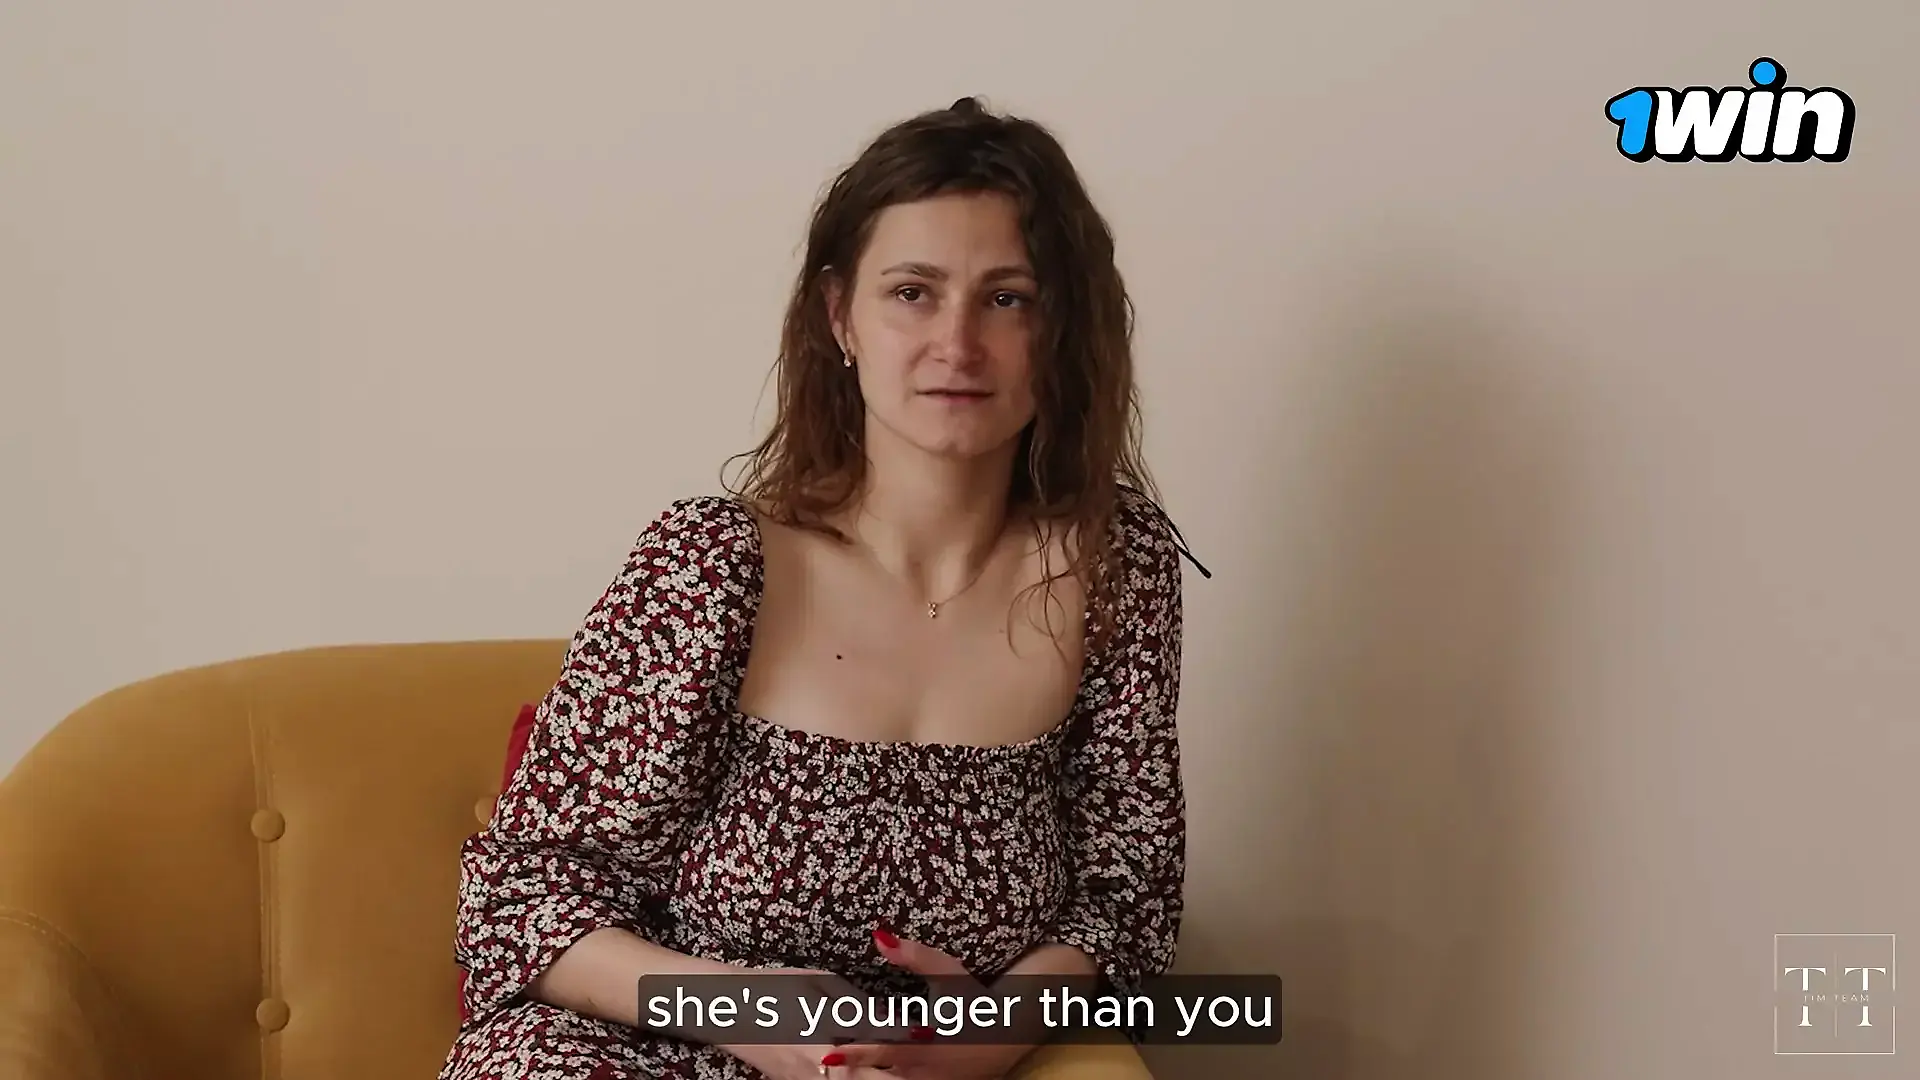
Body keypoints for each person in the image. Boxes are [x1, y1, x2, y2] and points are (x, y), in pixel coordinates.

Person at [439, 96, 1206, 1080]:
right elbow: (520, 900)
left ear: (1063, 329)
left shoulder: (1115, 566)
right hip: (653, 1049)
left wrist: (987, 1034)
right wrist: (748, 1011)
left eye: (1008, 298)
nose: (958, 344)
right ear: (841, 317)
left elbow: (1127, 899)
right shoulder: (712, 565)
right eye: (913, 293)